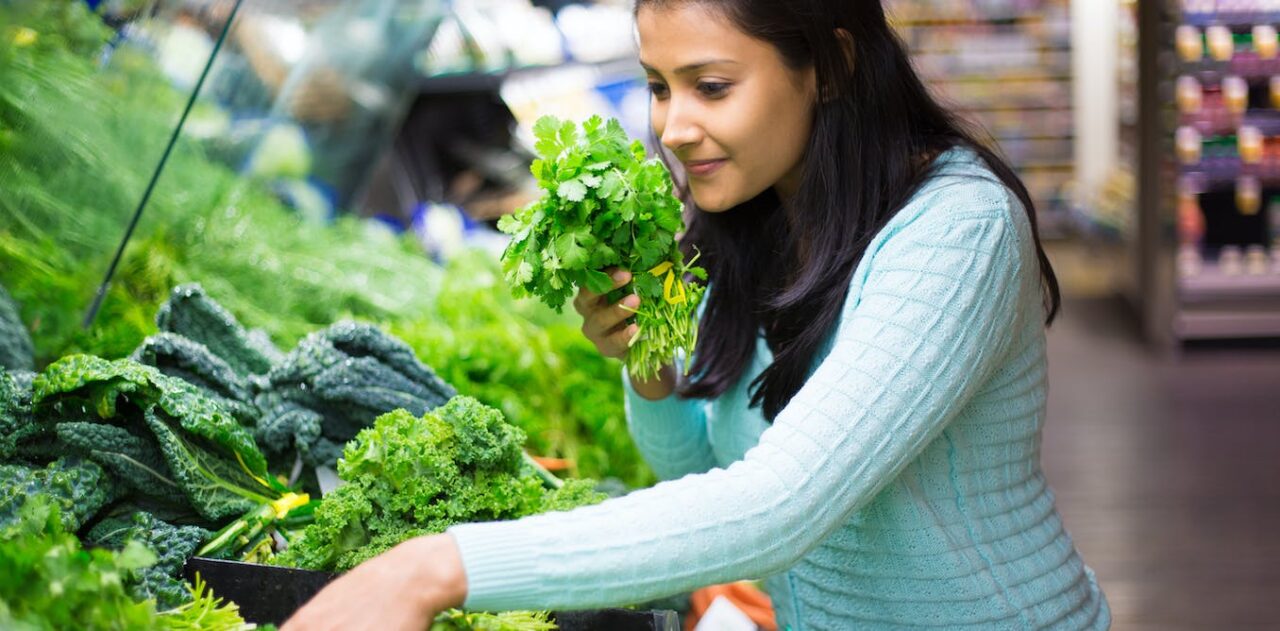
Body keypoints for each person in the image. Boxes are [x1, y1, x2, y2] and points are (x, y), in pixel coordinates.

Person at [283, 0, 1111, 629]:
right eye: (657, 85)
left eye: (711, 86)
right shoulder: (738, 217)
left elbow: (780, 504)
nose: (674, 128)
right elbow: (696, 472)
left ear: (831, 64)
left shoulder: (958, 231)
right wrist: (651, 367)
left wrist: (433, 567)